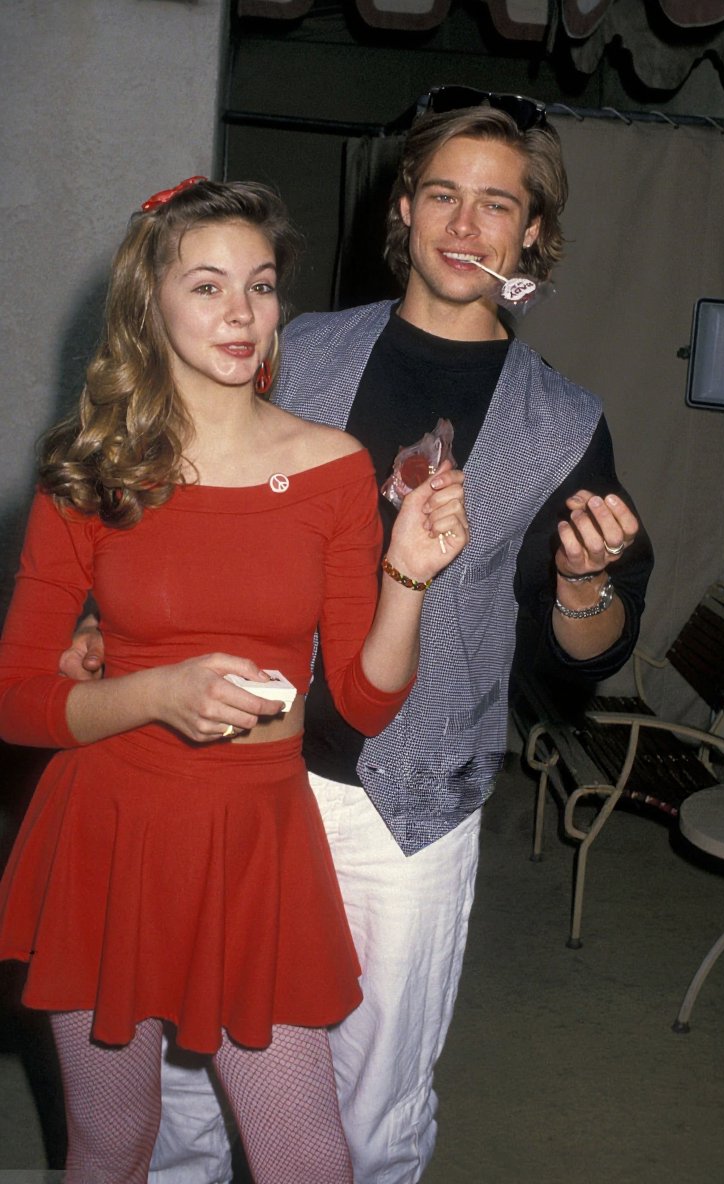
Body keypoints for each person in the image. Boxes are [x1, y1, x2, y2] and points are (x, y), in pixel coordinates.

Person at [67, 90, 654, 1184]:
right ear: (404, 208)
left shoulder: (562, 421)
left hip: (407, 809)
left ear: (531, 233)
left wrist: (580, 584)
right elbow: (162, 490)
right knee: (192, 1097)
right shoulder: (292, 349)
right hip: (235, 777)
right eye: (443, 194)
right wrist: (103, 621)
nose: (465, 225)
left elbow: (588, 650)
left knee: (370, 1114)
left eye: (496, 204)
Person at [0, 177, 468, 1184]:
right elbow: (17, 698)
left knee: (308, 1156)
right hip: (107, 831)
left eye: (258, 286)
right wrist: (155, 692)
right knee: (112, 1145)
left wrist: (407, 576)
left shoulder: (334, 467)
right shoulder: (92, 468)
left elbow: (366, 695)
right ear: (149, 304)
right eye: (207, 286)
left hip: (254, 834)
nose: (241, 314)